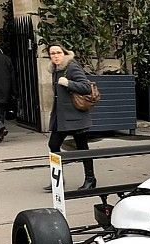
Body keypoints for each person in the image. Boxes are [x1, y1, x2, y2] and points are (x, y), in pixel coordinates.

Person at [45, 43, 97, 191]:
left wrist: (68, 83)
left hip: (75, 115)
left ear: (65, 53)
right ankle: (58, 179)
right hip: (60, 116)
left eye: (58, 53)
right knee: (53, 145)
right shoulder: (55, 70)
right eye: (52, 53)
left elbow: (86, 87)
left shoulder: (71, 67)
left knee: (82, 148)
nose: (55, 56)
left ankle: (90, 179)